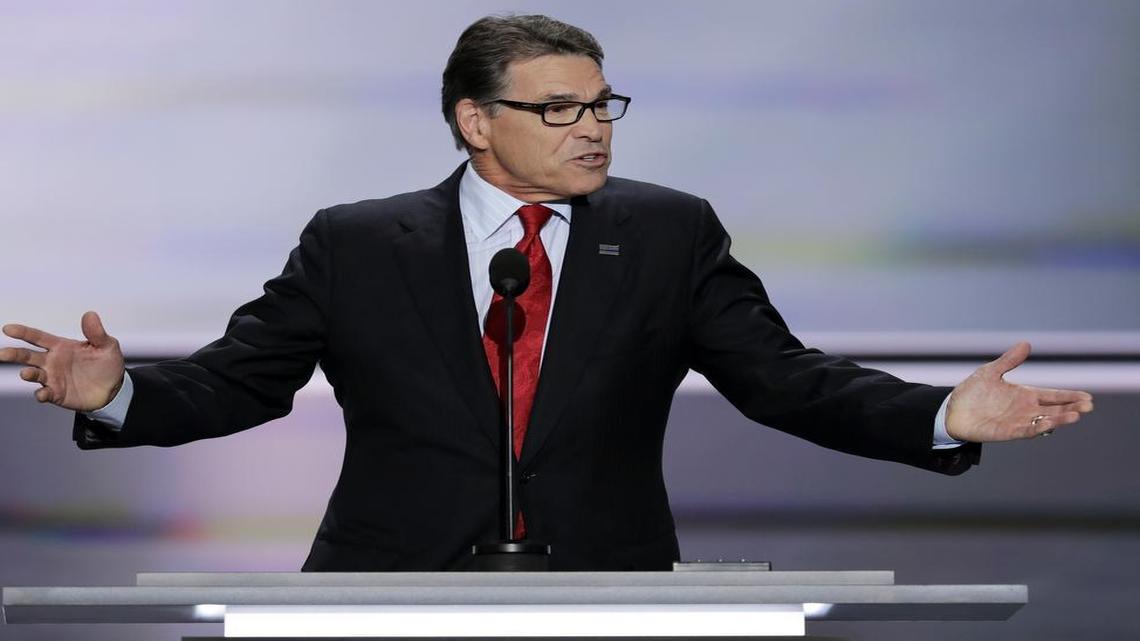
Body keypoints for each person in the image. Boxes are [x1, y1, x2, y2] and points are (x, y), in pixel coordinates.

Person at [0, 15, 1093, 571]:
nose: (596, 127)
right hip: (390, 588)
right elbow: (241, 384)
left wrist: (942, 412)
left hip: (610, 585)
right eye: (561, 108)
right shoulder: (356, 242)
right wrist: (117, 394)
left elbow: (783, 378)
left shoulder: (667, 232)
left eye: (604, 103)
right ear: (477, 121)